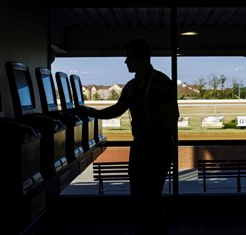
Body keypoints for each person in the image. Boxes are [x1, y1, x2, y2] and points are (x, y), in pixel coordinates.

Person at [77, 38, 179, 235]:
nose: (126, 62)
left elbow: (118, 110)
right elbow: (119, 109)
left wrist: (92, 112)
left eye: (128, 57)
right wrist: (92, 112)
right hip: (151, 147)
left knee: (146, 197)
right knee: (148, 197)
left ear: (139, 57)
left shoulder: (142, 84)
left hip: (151, 148)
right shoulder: (155, 82)